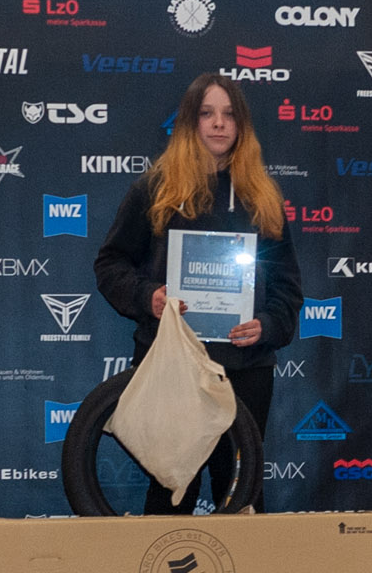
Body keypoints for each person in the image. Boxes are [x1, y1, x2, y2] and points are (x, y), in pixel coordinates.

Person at [94, 73, 302, 514]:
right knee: (171, 492)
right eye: (207, 113)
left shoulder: (262, 198)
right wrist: (148, 296)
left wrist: (267, 325)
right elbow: (111, 264)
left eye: (229, 114)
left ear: (242, 125)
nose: (219, 124)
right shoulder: (155, 189)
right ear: (189, 123)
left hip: (245, 370)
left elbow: (287, 286)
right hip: (172, 363)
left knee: (242, 495)